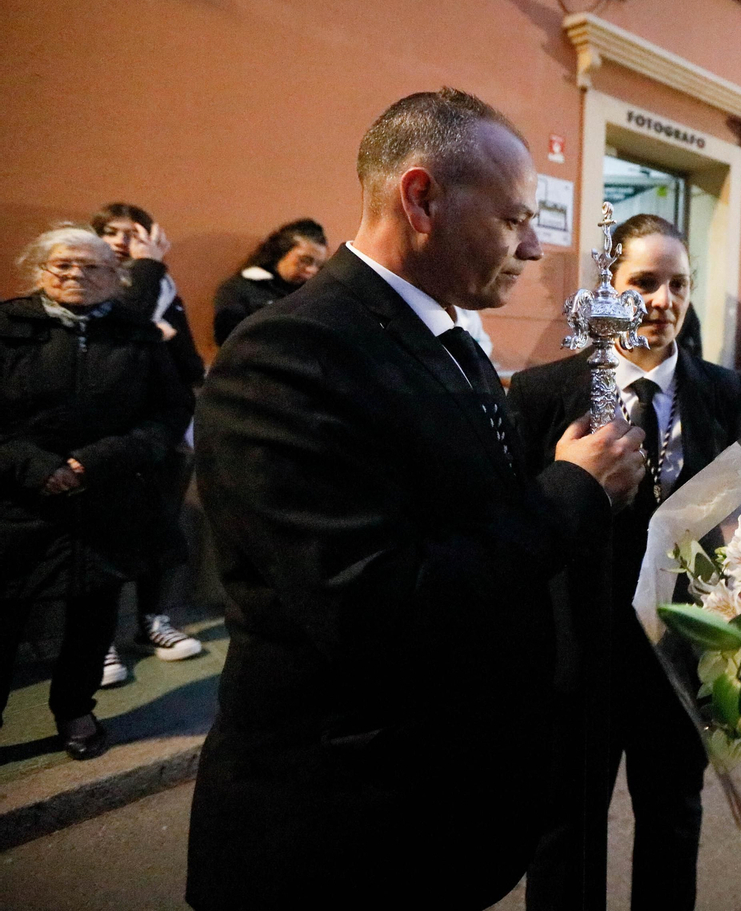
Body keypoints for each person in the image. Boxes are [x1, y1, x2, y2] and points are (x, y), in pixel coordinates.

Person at [184, 89, 646, 911]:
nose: (534, 247)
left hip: (429, 824)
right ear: (423, 199)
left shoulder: (444, 338)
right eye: (513, 220)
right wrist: (573, 491)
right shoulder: (293, 355)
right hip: (339, 843)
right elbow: (374, 603)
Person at [512, 214, 741, 911]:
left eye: (679, 284)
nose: (662, 301)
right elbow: (519, 530)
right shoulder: (543, 393)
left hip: (677, 658)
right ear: (608, 288)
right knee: (565, 835)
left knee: (673, 825)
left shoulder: (725, 393)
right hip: (575, 657)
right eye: (643, 282)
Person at [0, 227, 192, 761]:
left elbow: (169, 412)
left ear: (114, 276)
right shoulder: (7, 325)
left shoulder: (138, 335)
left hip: (105, 497)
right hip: (18, 501)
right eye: (63, 264)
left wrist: (96, 462)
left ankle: (75, 710)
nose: (76, 275)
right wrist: (38, 467)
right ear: (39, 269)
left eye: (92, 267)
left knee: (93, 617)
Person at [92, 202, 206, 685]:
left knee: (161, 526)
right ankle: (96, 641)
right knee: (103, 533)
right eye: (113, 232)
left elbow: (189, 361)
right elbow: (124, 330)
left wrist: (162, 338)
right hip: (111, 431)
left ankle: (151, 621)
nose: (124, 242)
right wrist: (147, 271)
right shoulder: (90, 281)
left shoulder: (162, 284)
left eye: (134, 233)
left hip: (165, 424)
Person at [211, 217, 328, 345]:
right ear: (280, 253)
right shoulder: (240, 288)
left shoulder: (315, 295)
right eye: (305, 260)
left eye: (318, 265)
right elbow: (227, 338)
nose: (311, 270)